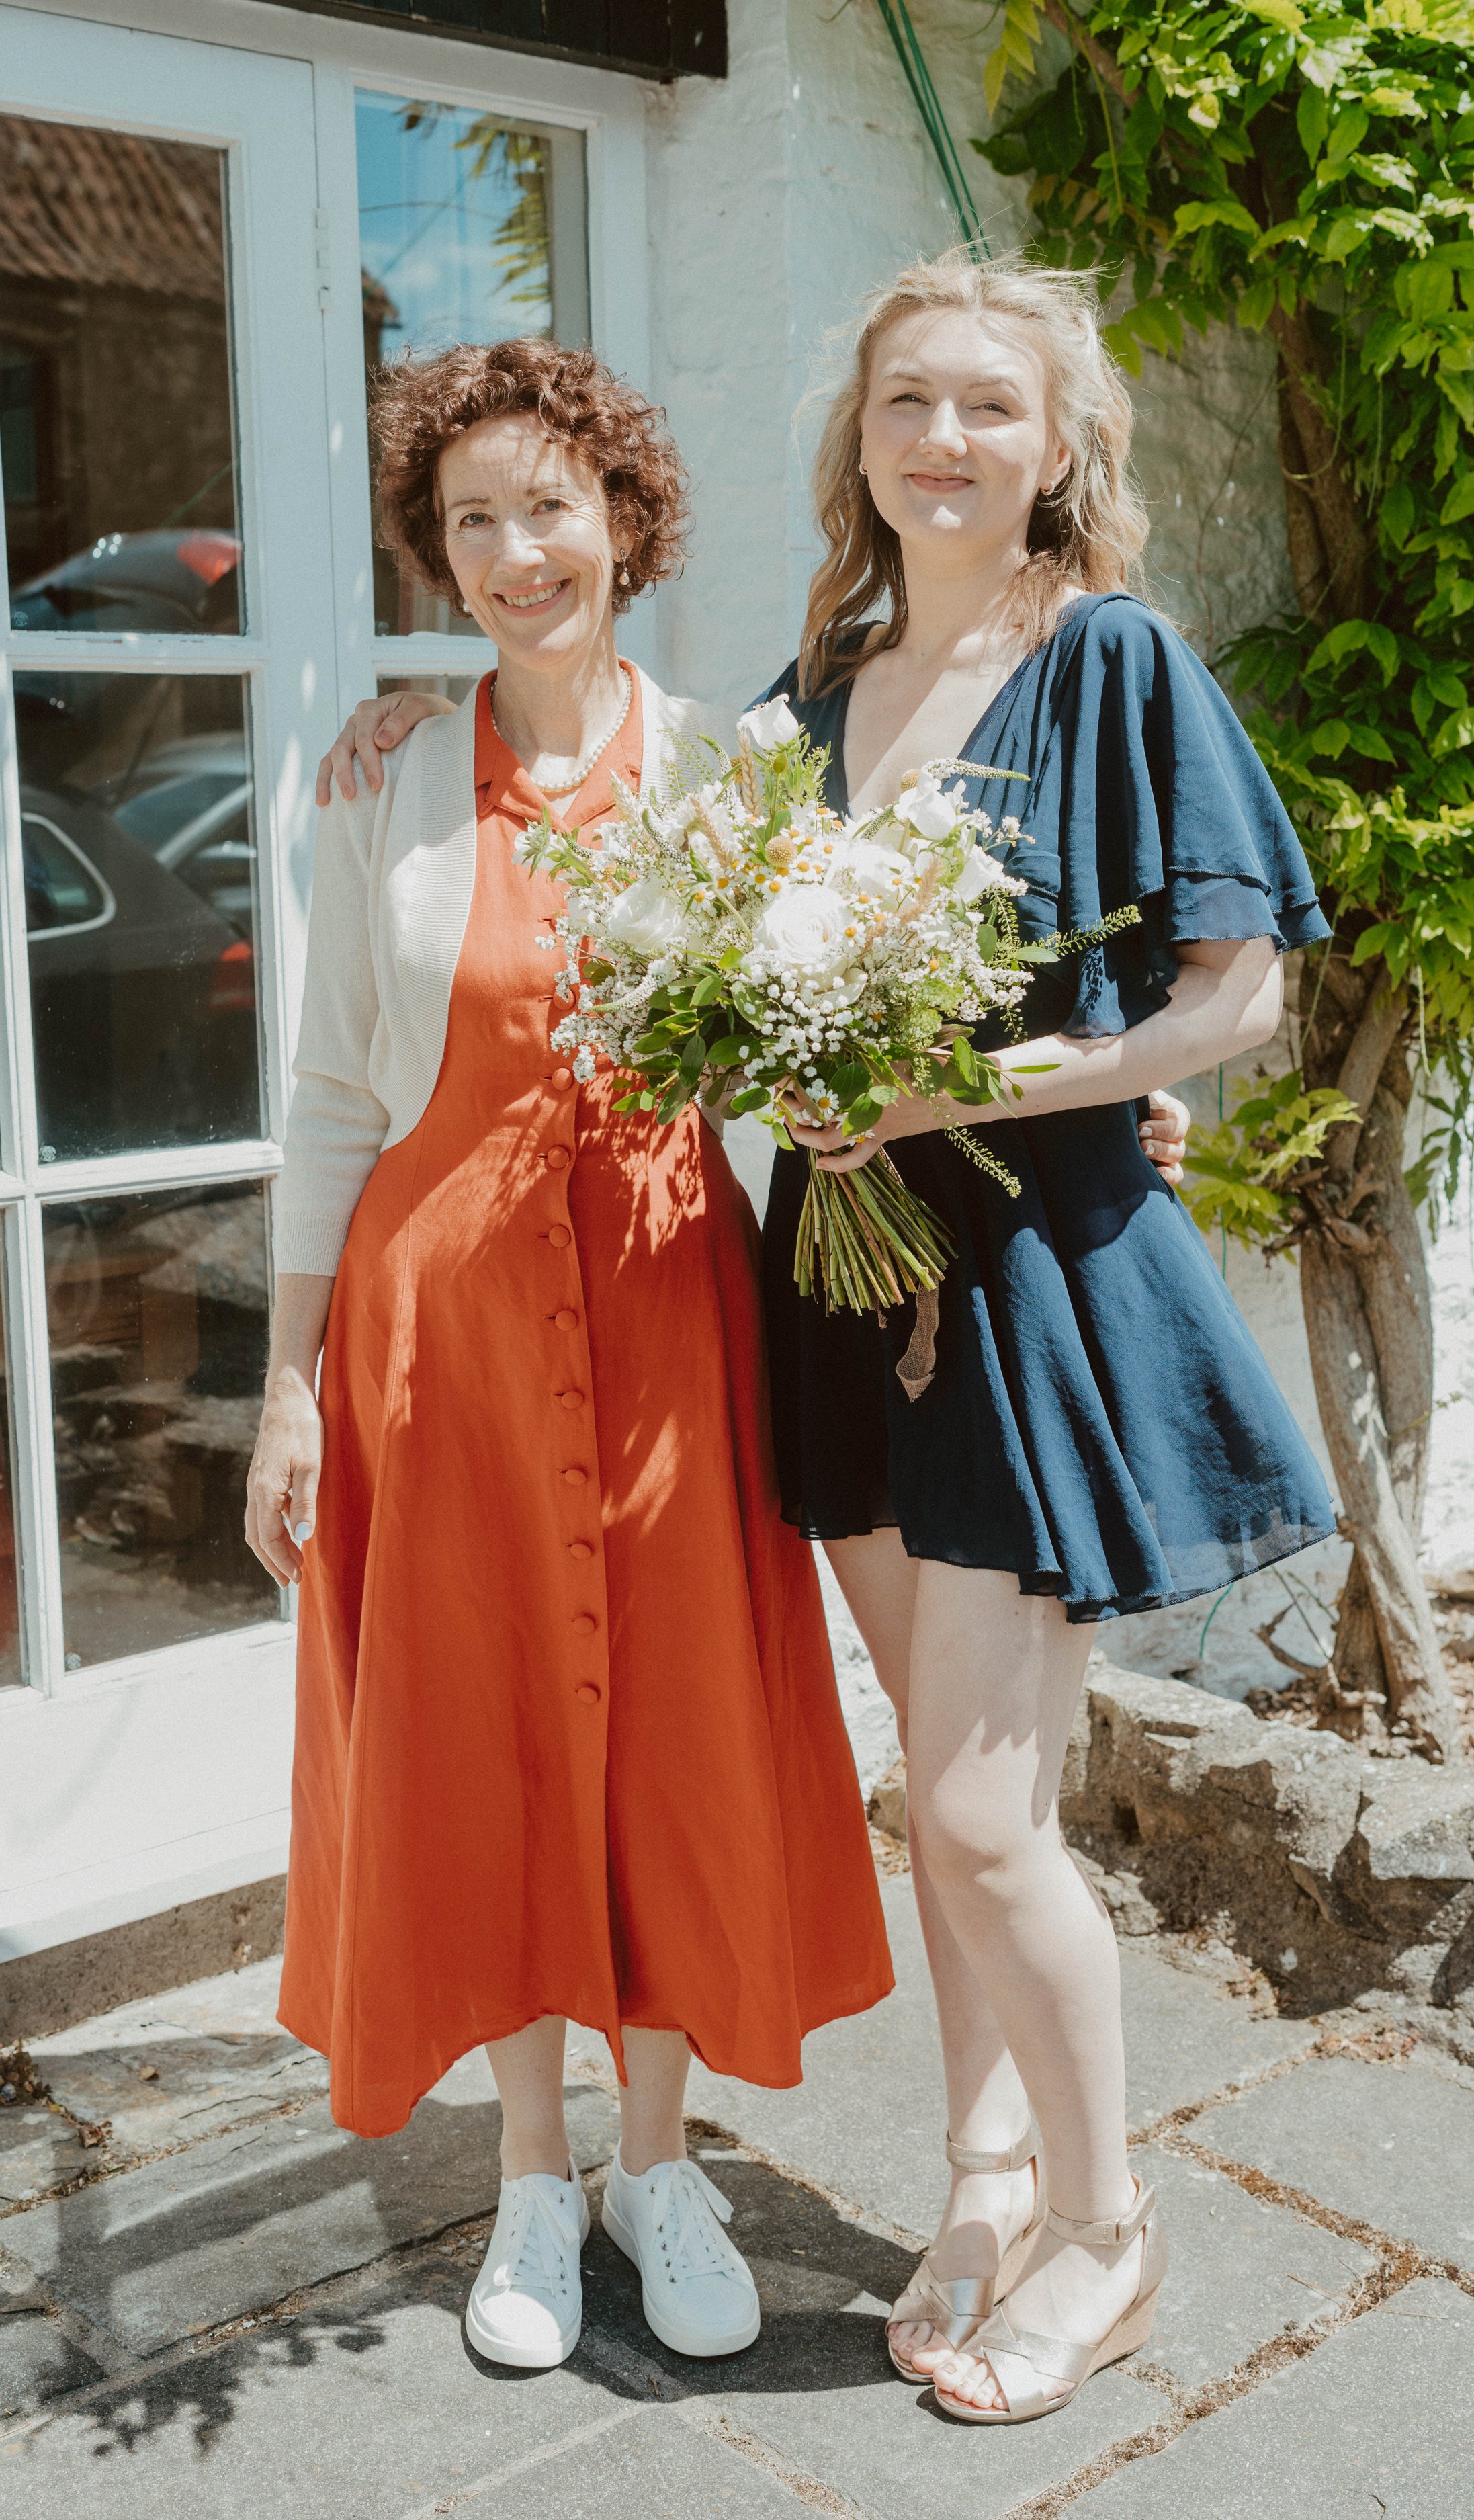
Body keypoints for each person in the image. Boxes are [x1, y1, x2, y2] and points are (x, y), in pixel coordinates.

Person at [246, 339, 894, 2380]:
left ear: (624, 517)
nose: (518, 551)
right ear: (437, 559)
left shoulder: (734, 776)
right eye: (473, 521)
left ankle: (654, 2163)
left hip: (673, 1312)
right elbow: (330, 1097)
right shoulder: (376, 781)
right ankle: (532, 2172)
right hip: (435, 1330)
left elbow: (806, 1056)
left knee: (676, 1728)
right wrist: (287, 1382)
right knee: (490, 1731)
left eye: (550, 504)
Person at [746, 249, 1338, 2425]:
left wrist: (978, 1091)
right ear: (859, 436)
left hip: (1024, 1287)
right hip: (839, 1279)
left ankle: (1107, 2229)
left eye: (988, 404)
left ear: (1059, 442)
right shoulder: (815, 686)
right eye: (906, 399)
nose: (942, 438)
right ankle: (983, 2173)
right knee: (938, 1805)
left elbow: (1234, 996)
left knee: (987, 1818)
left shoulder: (1110, 661)